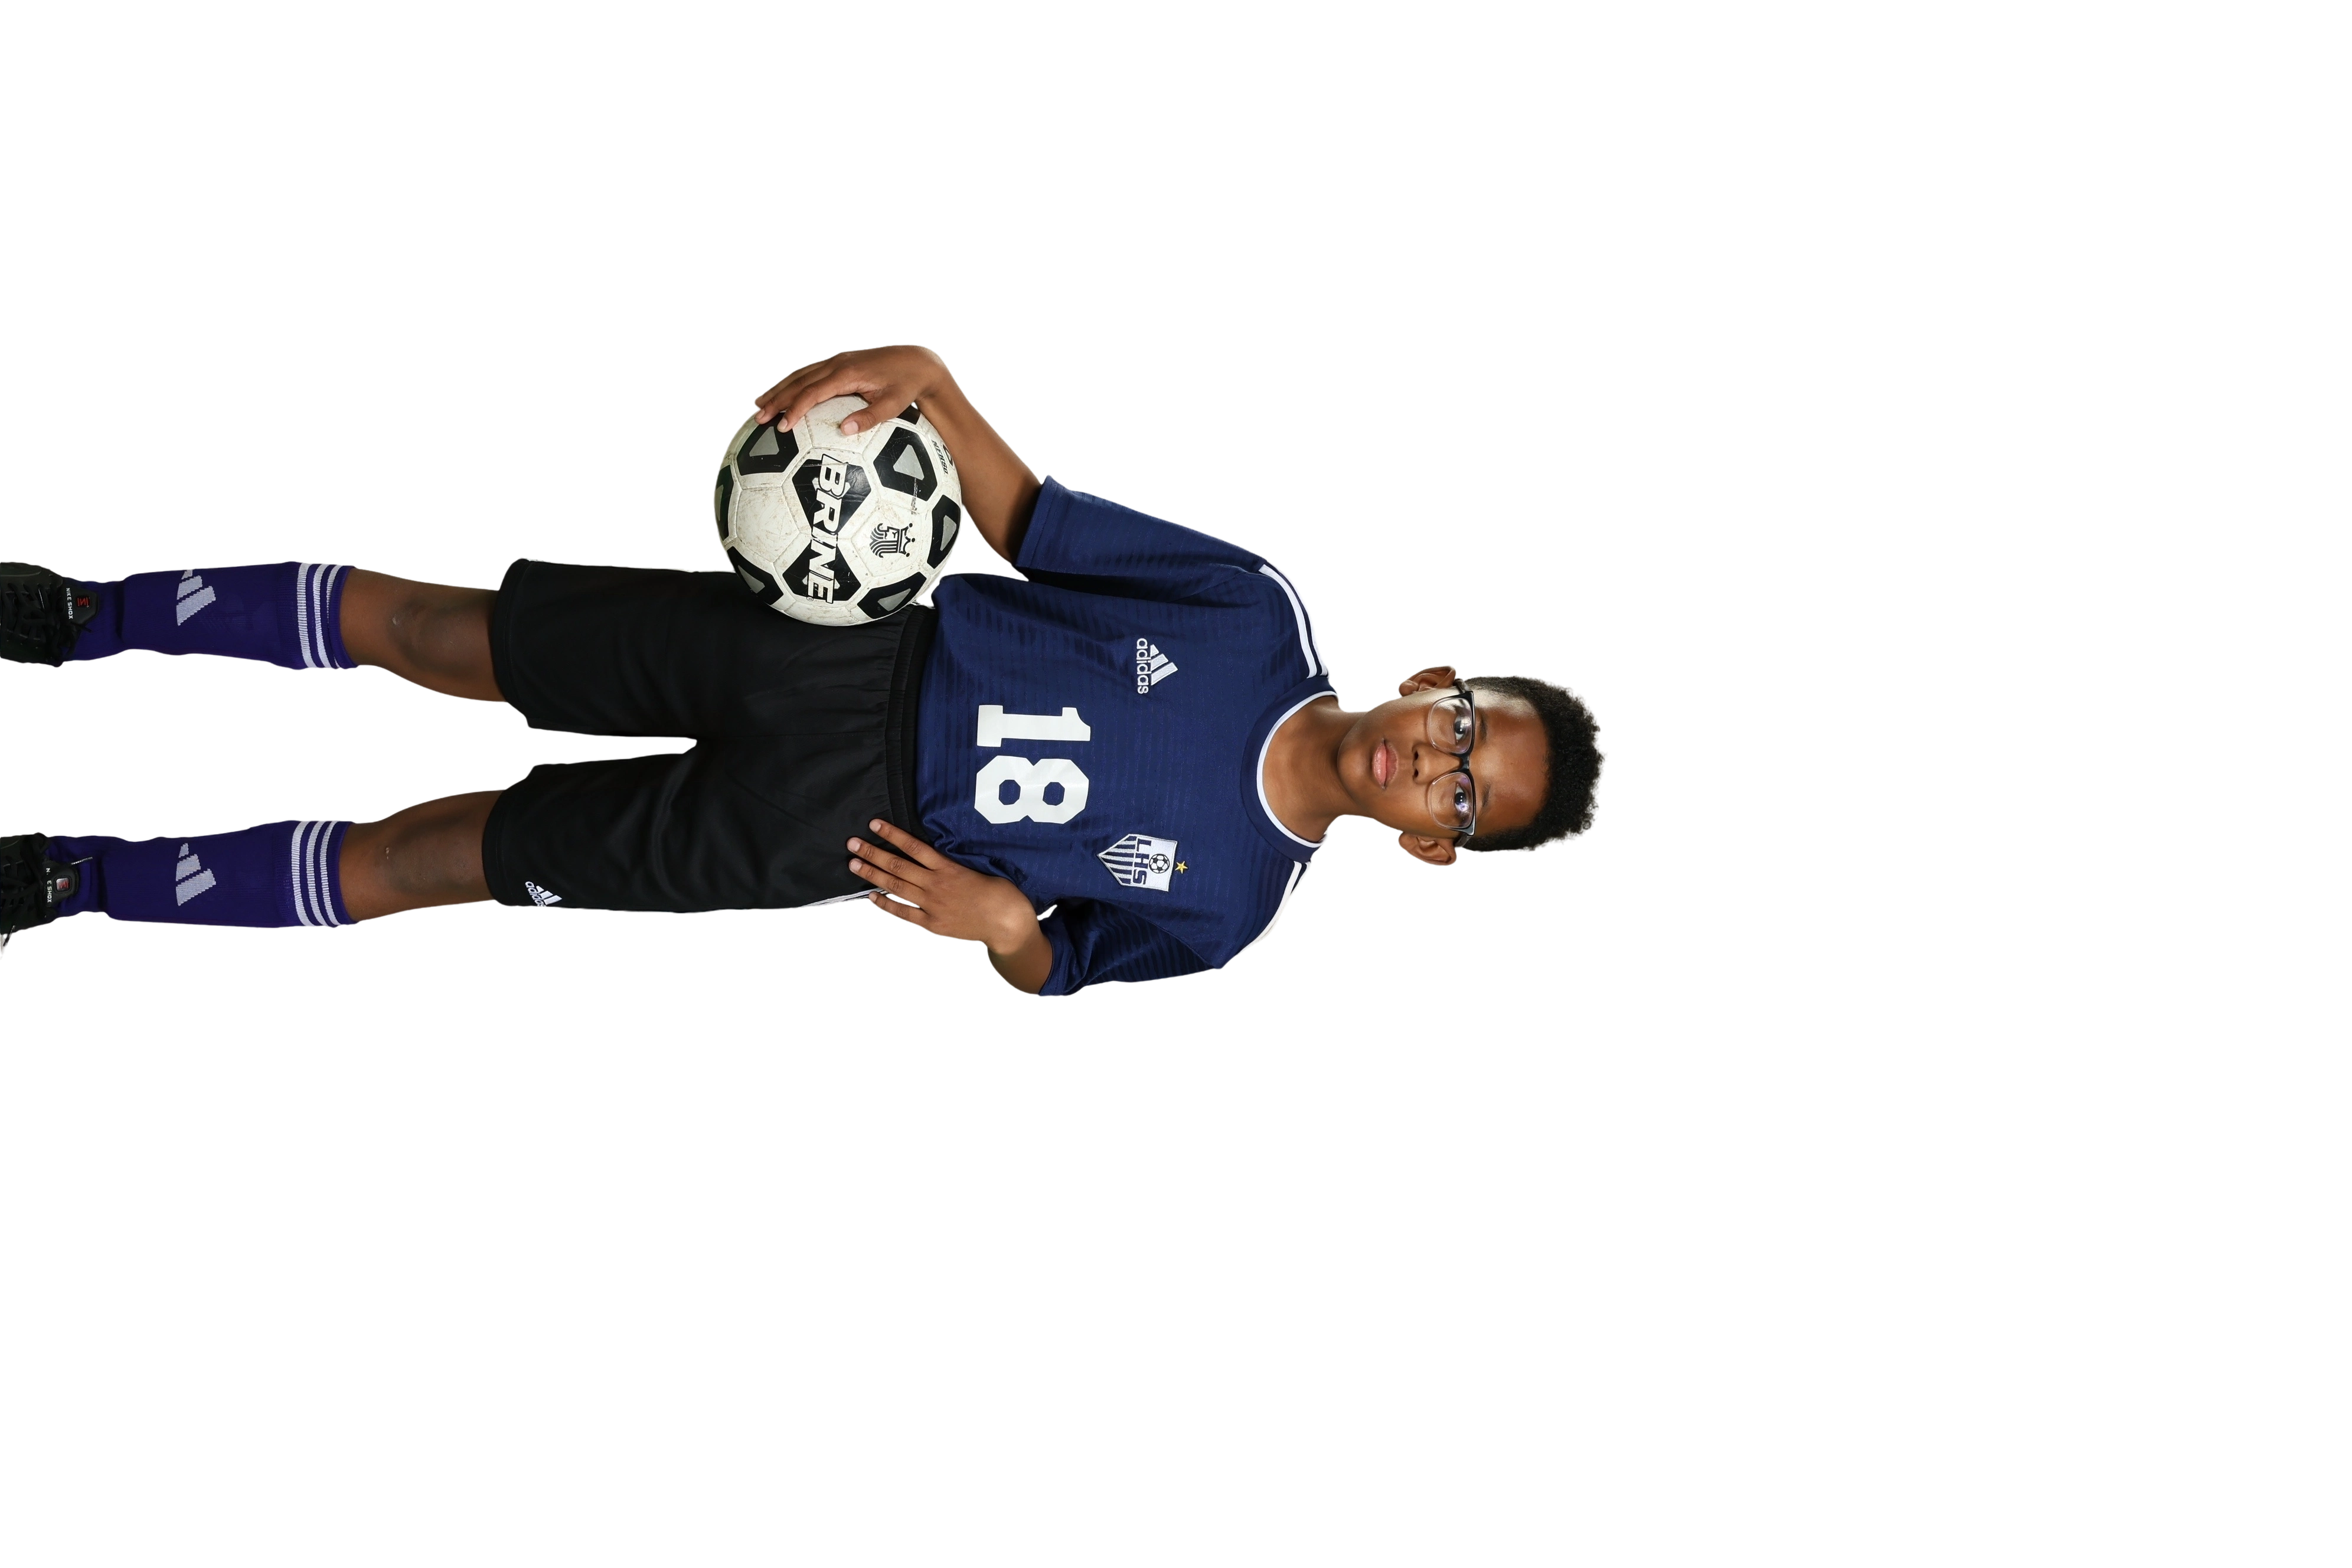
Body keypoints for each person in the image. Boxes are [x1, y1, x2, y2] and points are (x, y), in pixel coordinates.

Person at [1, 344, 1608, 996]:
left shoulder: (1230, 911)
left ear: (1434, 847)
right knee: (449, 639)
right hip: (833, 646)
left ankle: (71, 877)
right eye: (1466, 727)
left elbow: (1056, 969)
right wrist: (939, 387)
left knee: (446, 858)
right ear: (1437, 679)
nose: (1438, 762)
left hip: (834, 841)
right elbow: (1033, 524)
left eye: (1466, 798)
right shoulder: (1251, 608)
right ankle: (77, 617)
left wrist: (1002, 926)